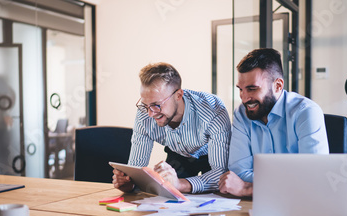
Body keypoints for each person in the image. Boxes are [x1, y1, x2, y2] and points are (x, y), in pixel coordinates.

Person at [219, 48, 329, 197]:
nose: (244, 98)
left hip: (301, 205)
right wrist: (290, 181)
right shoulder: (241, 114)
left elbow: (314, 178)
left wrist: (248, 188)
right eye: (241, 89)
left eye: (252, 89)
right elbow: (238, 173)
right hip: (254, 207)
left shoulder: (306, 112)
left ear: (278, 86)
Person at [112, 62, 231, 193]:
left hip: (210, 153)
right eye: (145, 105)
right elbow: (136, 167)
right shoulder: (145, 113)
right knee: (169, 194)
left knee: (218, 192)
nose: (150, 113)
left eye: (156, 105)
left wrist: (180, 184)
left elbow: (220, 175)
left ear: (178, 95)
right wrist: (130, 183)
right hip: (178, 153)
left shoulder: (213, 110)